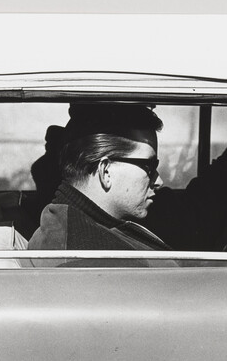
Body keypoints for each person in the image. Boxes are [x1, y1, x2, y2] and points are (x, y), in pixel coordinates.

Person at [28, 104, 172, 253]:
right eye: (149, 167)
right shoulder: (99, 257)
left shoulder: (62, 225)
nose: (159, 182)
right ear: (106, 171)